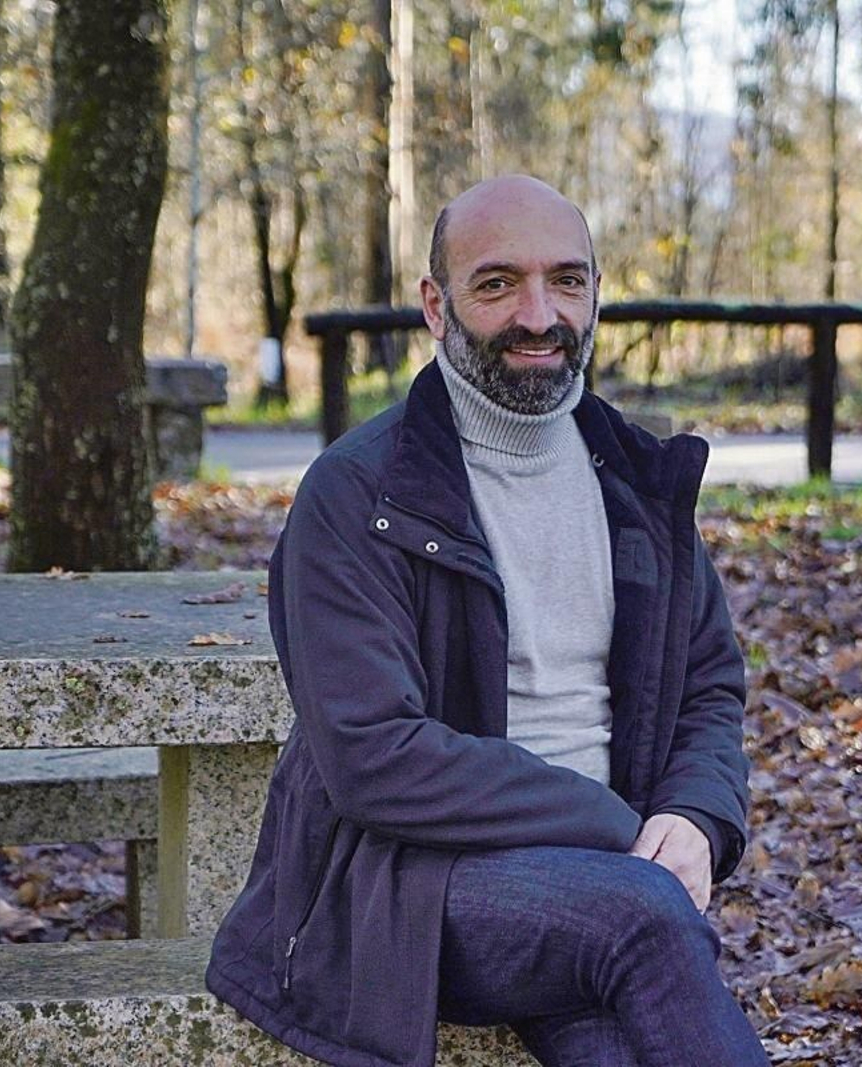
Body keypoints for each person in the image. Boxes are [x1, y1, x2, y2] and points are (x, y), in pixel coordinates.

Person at [207, 175, 768, 1067]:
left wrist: (696, 817)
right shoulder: (360, 494)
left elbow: (708, 684)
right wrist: (615, 828)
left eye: (568, 281)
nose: (539, 314)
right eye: (498, 283)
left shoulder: (637, 478)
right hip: (409, 890)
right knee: (642, 922)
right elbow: (373, 756)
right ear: (436, 305)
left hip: (606, 892)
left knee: (610, 1039)